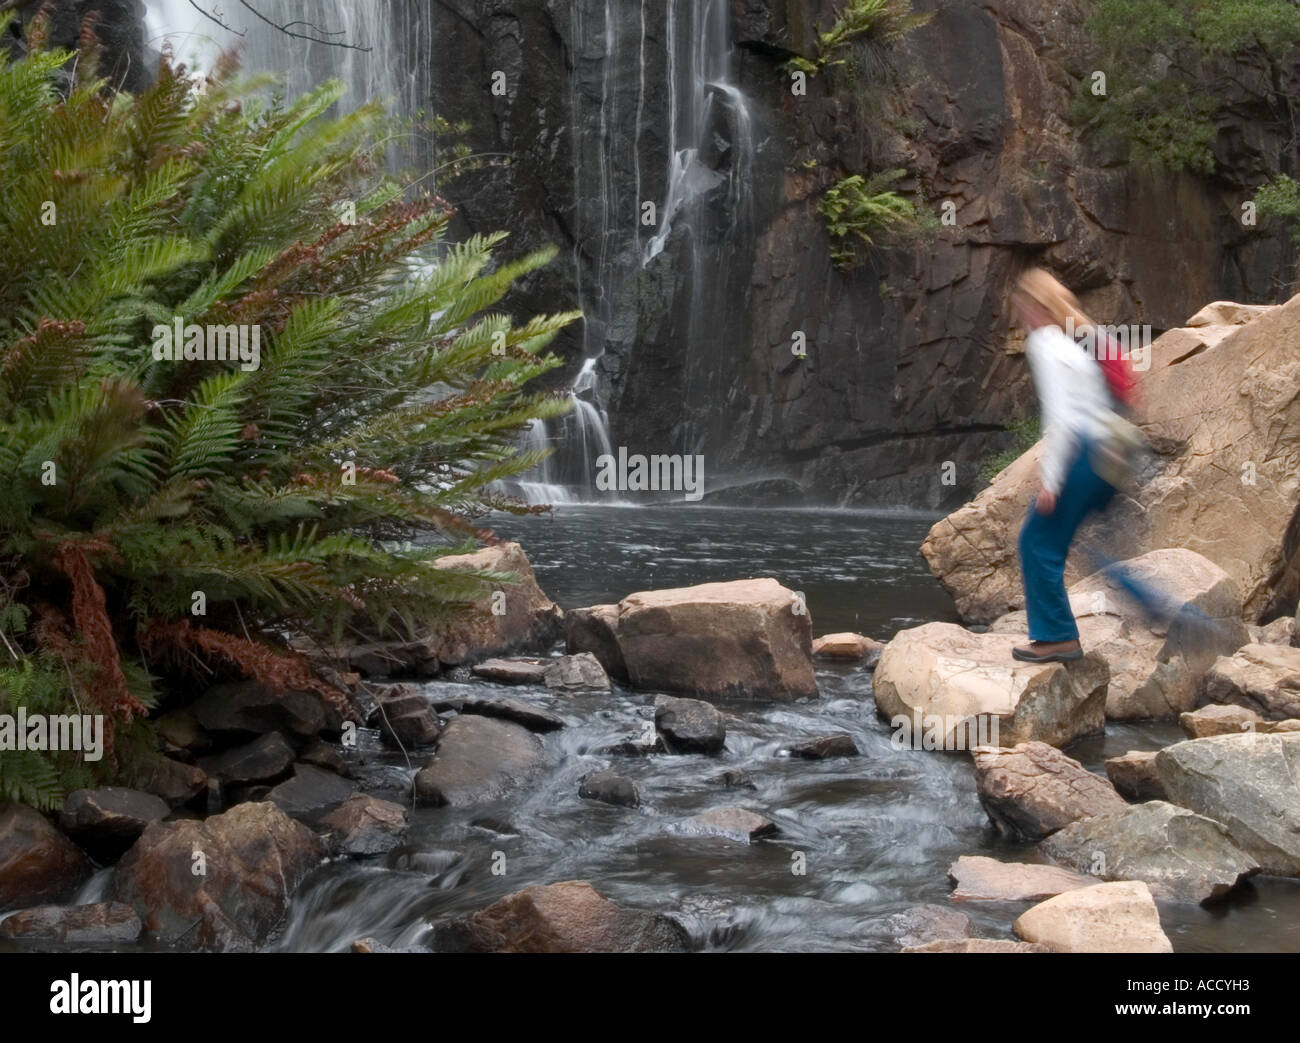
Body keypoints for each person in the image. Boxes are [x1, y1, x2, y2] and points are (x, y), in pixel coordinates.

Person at [1010, 268, 1120, 663]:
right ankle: (1059, 633)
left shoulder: (1044, 342)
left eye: (1023, 303)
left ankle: (1057, 637)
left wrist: (1051, 482)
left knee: (1037, 543)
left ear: (1037, 307)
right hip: (1106, 455)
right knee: (1055, 542)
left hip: (1083, 452)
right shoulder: (1075, 343)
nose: (1019, 310)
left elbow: (1061, 418)